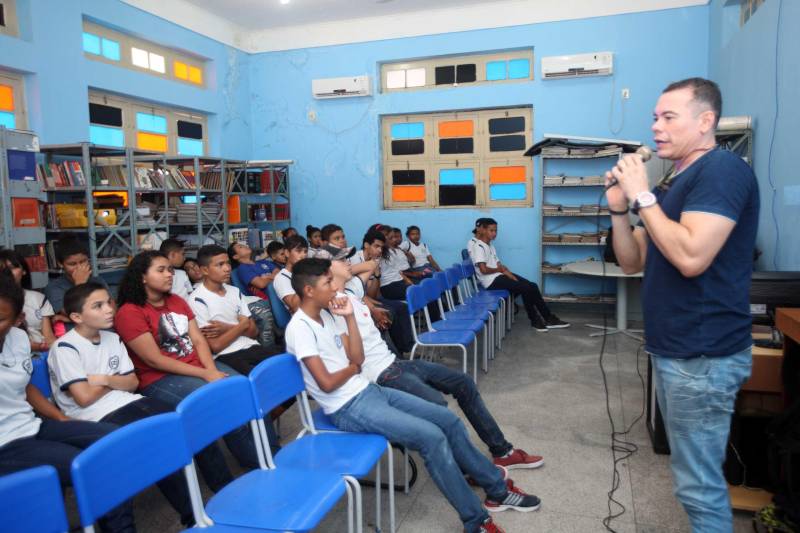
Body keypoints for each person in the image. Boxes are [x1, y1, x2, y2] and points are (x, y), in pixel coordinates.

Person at [286, 258, 540, 533]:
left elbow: (357, 359)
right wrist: (352, 368)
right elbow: (326, 383)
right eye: (327, 283)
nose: (333, 289)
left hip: (368, 390)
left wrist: (348, 317)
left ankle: (497, 490)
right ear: (309, 290)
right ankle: (475, 521)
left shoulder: (328, 315)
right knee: (431, 437)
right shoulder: (299, 328)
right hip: (347, 407)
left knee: (447, 420)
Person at [605, 77, 759, 532]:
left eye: (669, 117)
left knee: (698, 485)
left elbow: (691, 257)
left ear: (706, 121)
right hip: (677, 349)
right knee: (691, 477)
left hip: (703, 353)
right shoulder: (677, 180)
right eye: (655, 117)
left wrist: (643, 195)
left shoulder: (721, 172)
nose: (656, 127)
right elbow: (633, 262)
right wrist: (620, 208)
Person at [330, 258, 544, 470]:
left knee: (463, 382)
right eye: (340, 261)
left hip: (396, 363)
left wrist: (343, 269)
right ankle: (469, 468)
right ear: (326, 272)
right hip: (381, 374)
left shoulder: (351, 291)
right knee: (438, 406)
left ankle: (502, 451)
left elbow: (371, 265)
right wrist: (333, 272)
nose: (348, 262)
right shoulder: (331, 305)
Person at [113, 251, 277, 471]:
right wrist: (205, 374)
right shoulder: (129, 312)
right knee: (224, 406)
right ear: (142, 276)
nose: (169, 275)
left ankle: (273, 454)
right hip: (162, 378)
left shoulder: (177, 301)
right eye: (160, 270)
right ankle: (257, 464)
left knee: (250, 393)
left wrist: (210, 369)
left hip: (199, 366)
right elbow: (154, 360)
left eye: (170, 270)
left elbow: (199, 341)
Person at [48, 282, 195, 526]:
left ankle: (194, 512)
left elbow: (132, 383)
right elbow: (83, 397)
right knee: (151, 442)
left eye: (109, 302)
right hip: (95, 416)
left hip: (128, 401)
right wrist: (115, 382)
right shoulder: (65, 347)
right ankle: (187, 513)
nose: (108, 310)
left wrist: (104, 379)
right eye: (98, 306)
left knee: (173, 423)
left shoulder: (112, 338)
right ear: (76, 316)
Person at [0, 272, 135, 532]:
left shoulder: (18, 340)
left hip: (31, 425)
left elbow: (24, 386)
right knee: (90, 466)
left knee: (113, 441)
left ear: (19, 319)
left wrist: (60, 418)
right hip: (5, 442)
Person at [188, 245, 281, 375]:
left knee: (285, 362)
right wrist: (242, 325)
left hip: (251, 346)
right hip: (226, 355)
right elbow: (216, 346)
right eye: (220, 265)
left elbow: (253, 332)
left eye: (227, 263)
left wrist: (226, 328)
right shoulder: (197, 300)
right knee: (261, 379)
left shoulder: (235, 292)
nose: (227, 268)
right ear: (205, 270)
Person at [468, 218, 568, 332]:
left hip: (498, 275)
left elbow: (498, 263)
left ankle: (548, 318)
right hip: (490, 281)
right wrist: (500, 269)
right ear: (483, 230)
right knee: (525, 288)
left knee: (532, 285)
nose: (494, 233)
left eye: (496, 231)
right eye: (491, 230)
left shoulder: (490, 245)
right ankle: (535, 320)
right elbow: (483, 270)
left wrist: (507, 273)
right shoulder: (478, 247)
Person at [351, 229, 415, 355]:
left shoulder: (375, 261)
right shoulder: (355, 260)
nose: (380, 250)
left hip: (367, 297)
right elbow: (358, 293)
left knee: (402, 307)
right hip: (357, 300)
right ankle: (393, 353)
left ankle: (406, 347)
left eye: (381, 247)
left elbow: (372, 293)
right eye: (376, 246)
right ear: (366, 245)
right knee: (389, 312)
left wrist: (377, 275)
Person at [0, 249, 56, 352]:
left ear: (24, 271)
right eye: (2, 268)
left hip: (41, 356)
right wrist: (33, 346)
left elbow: (49, 338)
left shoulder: (38, 299)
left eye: (12, 267)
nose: (7, 272)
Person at [45, 238, 109, 322]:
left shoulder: (97, 281)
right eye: (72, 264)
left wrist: (68, 319)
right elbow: (71, 312)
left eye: (83, 261)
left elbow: (111, 311)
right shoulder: (54, 287)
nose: (79, 267)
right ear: (60, 264)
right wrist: (80, 284)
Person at [272, 235, 310, 314]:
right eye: (298, 251)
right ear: (287, 253)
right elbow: (295, 306)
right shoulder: (281, 278)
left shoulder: (306, 273)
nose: (303, 255)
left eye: (305, 251)